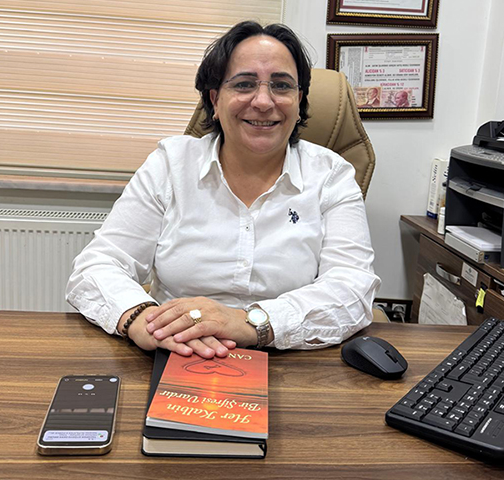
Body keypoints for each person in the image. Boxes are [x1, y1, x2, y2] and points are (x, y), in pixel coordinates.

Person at [66, 21, 380, 359]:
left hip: (292, 359)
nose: (264, 101)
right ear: (215, 100)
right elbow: (98, 265)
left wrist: (250, 323)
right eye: (244, 84)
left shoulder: (331, 175)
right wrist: (141, 319)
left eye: (281, 85)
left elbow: (352, 287)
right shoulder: (171, 165)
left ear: (299, 99)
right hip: (176, 351)